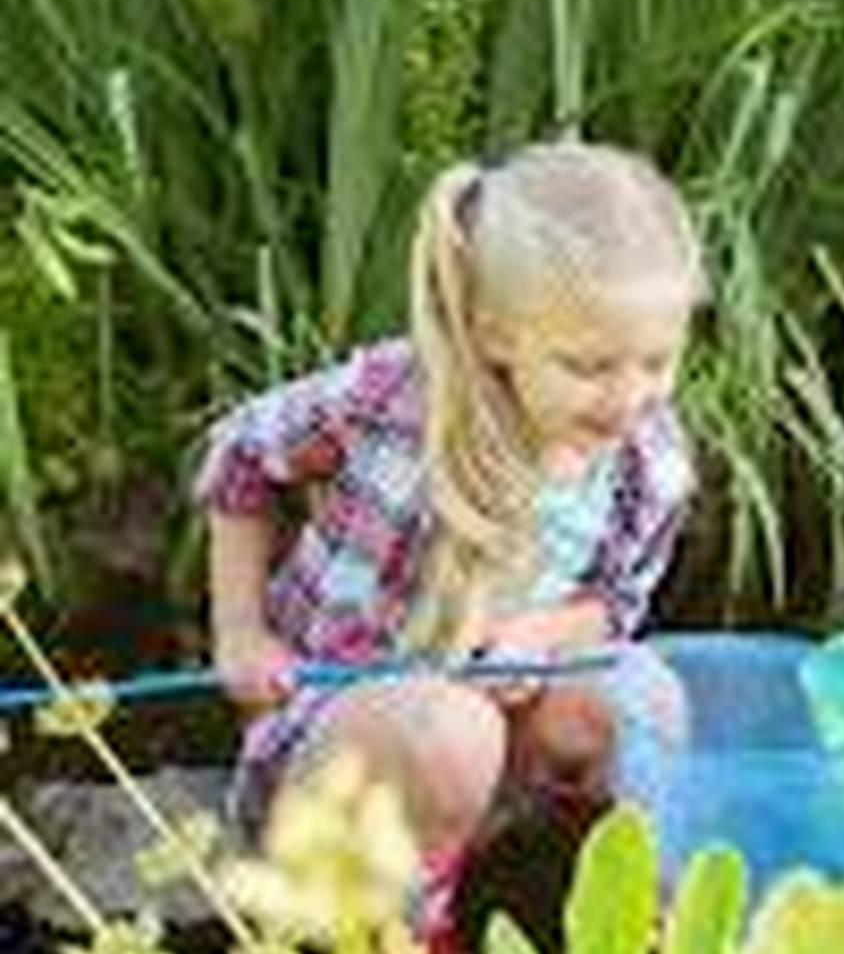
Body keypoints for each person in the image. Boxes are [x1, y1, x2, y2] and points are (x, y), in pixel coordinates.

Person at [196, 142, 700, 951]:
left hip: (500, 736)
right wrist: (240, 632)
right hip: (350, 740)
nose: (630, 396)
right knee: (448, 737)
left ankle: (579, 887)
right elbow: (239, 460)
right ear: (496, 333)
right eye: (590, 366)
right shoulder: (392, 401)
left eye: (657, 360)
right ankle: (397, 922)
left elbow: (615, 603)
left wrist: (538, 638)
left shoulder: (648, 457)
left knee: (647, 700)